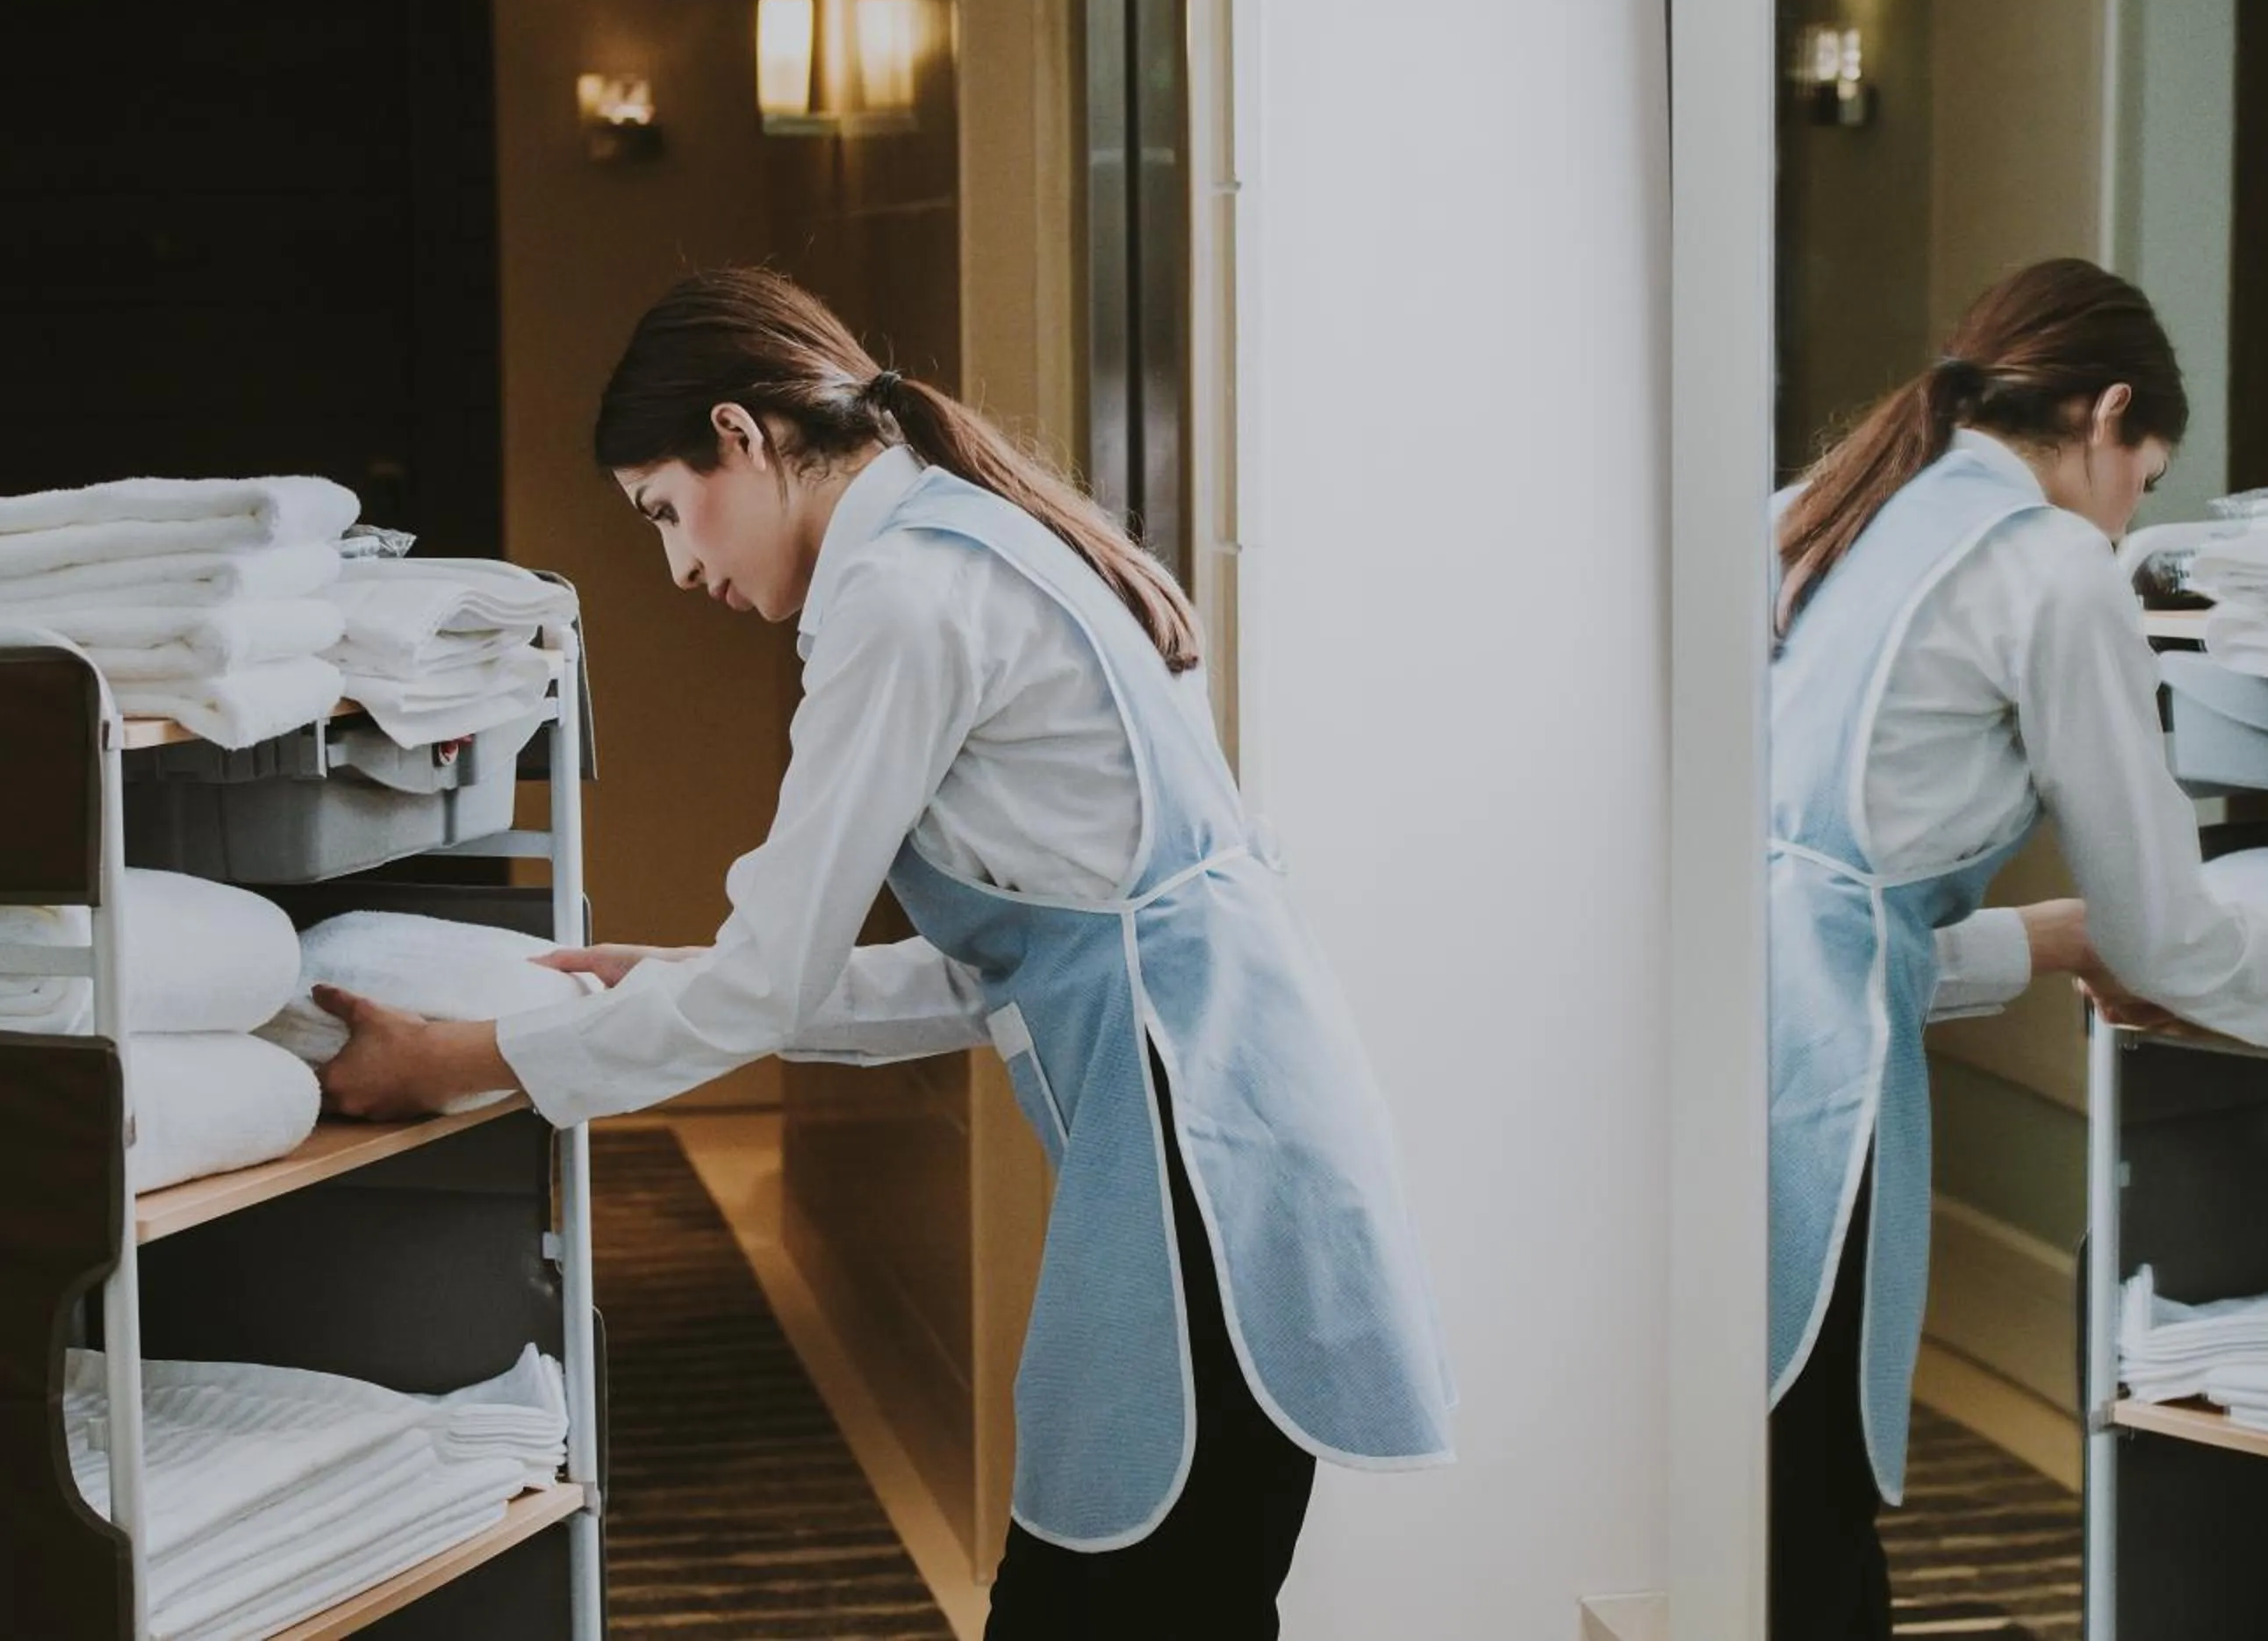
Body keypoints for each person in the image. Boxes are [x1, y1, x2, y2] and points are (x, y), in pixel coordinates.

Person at [313, 266, 1453, 1638]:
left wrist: (461, 1057)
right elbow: (1006, 968)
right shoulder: (974, 540)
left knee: (1111, 1605)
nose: (680, 567)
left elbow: (776, 976)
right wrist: (684, 983)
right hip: (1235, 1120)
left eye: (668, 514)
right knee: (1174, 1601)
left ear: (740, 436)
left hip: (1200, 1147)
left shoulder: (901, 600)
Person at [1765, 257, 2268, 1640]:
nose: (2127, 518)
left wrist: (2039, 940)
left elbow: (1829, 891)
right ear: (2106, 419)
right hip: (1812, 1084)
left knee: (1756, 1478)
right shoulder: (2048, 568)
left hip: (1710, 1040)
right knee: (1815, 1500)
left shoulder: (1818, 512)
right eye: (2144, 484)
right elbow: (2166, 927)